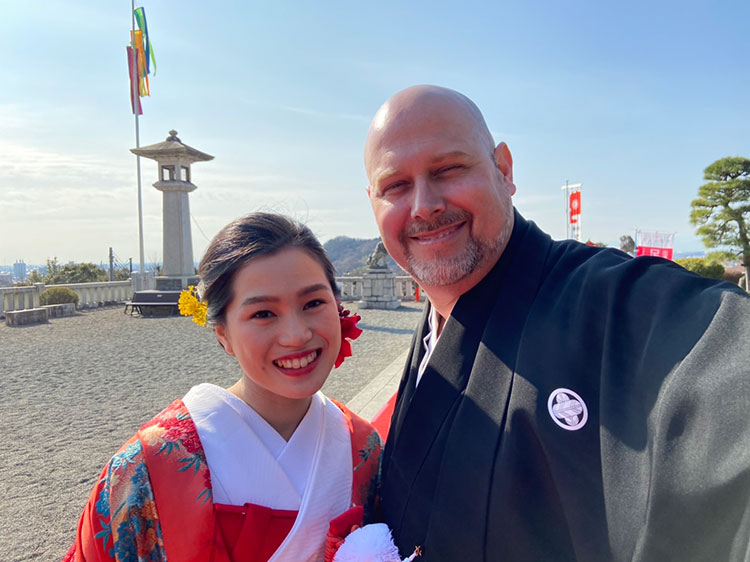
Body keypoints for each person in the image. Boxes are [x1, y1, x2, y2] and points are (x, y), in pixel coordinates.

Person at [364, 85, 750, 561]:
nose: (423, 205)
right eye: (395, 186)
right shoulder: (435, 328)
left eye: (448, 169)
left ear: (504, 170)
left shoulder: (611, 304)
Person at [64, 213, 381, 562]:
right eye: (263, 313)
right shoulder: (150, 466)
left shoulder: (363, 448)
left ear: (337, 307)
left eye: (313, 303)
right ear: (223, 333)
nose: (297, 335)